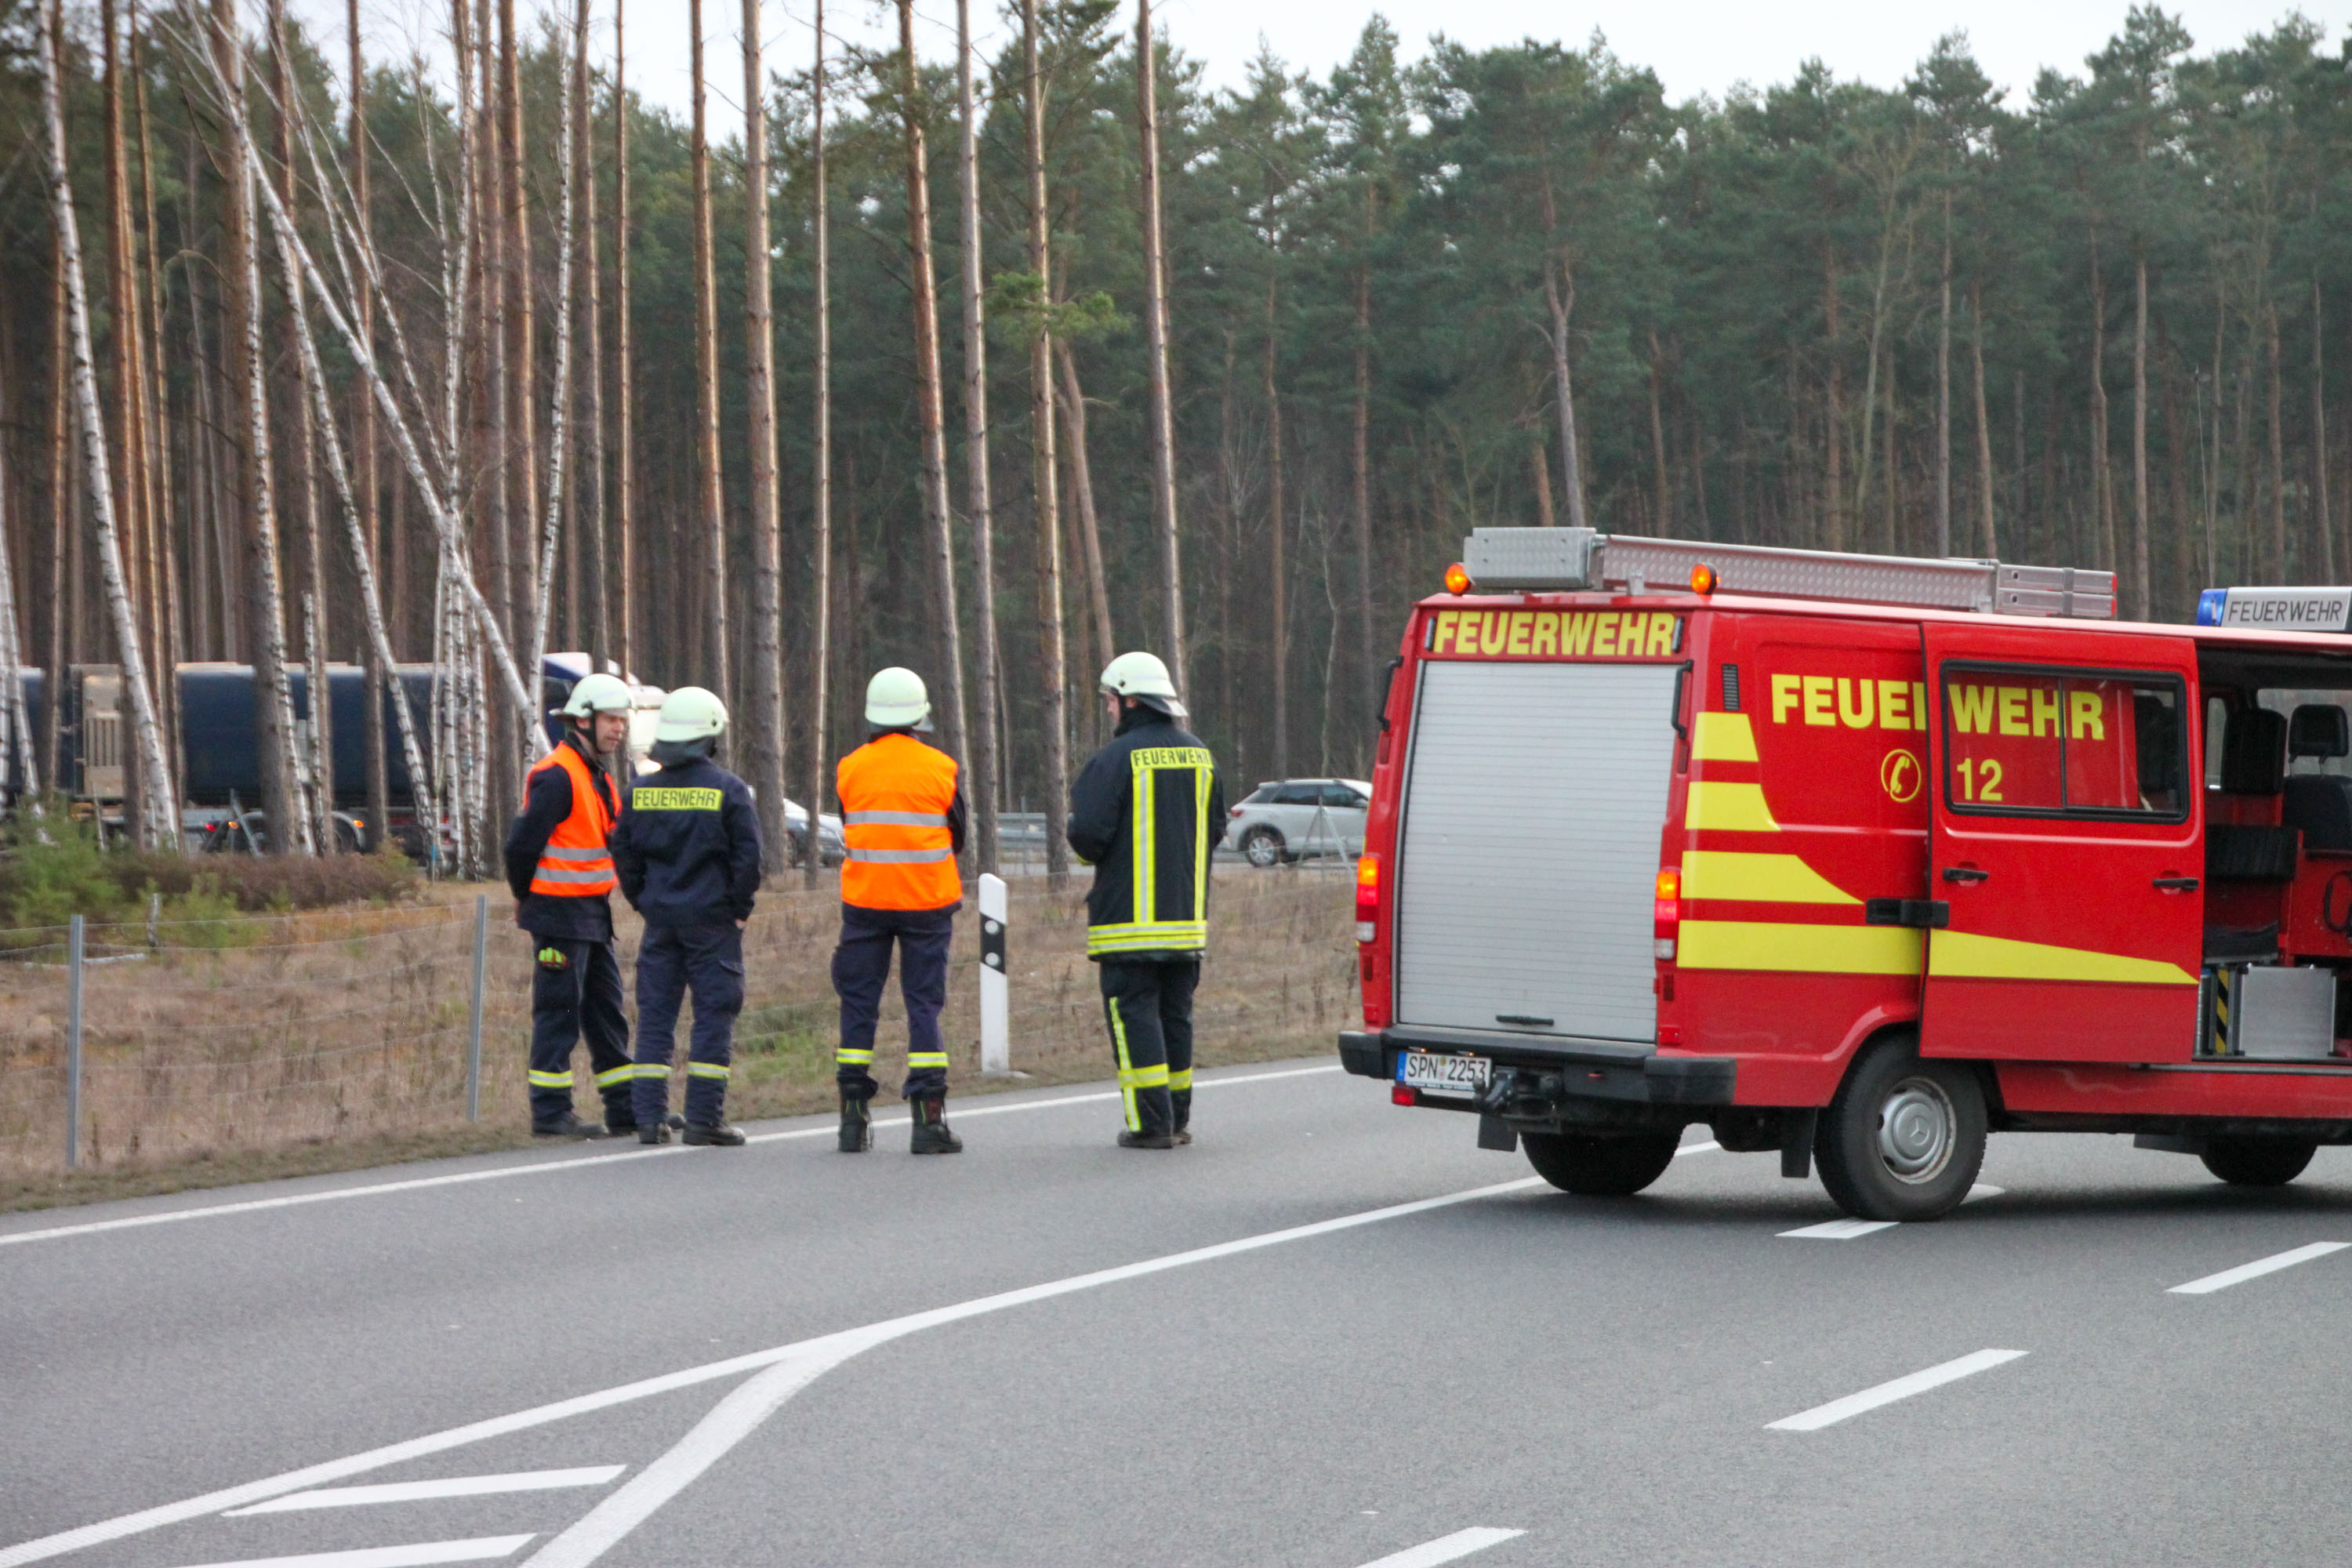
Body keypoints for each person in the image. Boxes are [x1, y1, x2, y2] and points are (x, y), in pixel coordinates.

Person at [1066, 652, 1224, 1149]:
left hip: (1128, 926)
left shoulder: (1113, 760)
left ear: (1131, 700)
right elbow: (1215, 829)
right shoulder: (1201, 755)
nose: (1110, 710)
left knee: (1135, 1018)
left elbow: (1088, 835)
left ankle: (1150, 1125)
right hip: (1186, 924)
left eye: (1111, 701)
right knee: (1176, 1017)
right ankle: (1176, 1119)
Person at [609, 686, 763, 1148]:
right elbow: (749, 858)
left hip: (662, 923)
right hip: (713, 925)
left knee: (655, 1018)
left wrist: (646, 903)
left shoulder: (639, 792)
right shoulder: (729, 790)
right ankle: (703, 1120)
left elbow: (624, 855)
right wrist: (739, 910)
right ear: (709, 736)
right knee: (714, 1017)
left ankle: (650, 1121)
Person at [831, 666, 968, 1155]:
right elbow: (958, 836)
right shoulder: (942, 767)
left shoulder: (850, 767)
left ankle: (852, 1122)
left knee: (859, 1004)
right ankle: (928, 1123)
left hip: (865, 902)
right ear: (918, 717)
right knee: (923, 1006)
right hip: (927, 904)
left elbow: (852, 824)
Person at [503, 672, 637, 1139]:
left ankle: (625, 1108)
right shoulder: (558, 776)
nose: (619, 728)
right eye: (611, 719)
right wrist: (525, 899)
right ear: (583, 720)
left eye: (623, 720)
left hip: (592, 915)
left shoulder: (595, 776)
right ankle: (551, 1112)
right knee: (558, 1013)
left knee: (606, 1014)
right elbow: (520, 848)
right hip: (559, 917)